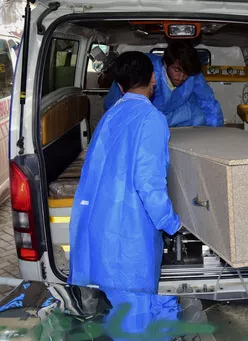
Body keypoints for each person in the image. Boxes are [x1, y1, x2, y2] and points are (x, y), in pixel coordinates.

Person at [68, 51, 181, 294]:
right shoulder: (152, 119)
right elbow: (148, 183)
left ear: (119, 86)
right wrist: (172, 223)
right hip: (130, 234)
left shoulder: (110, 116)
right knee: (134, 315)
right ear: (153, 78)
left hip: (99, 226)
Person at [104, 40, 223, 127]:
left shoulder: (192, 73)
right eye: (176, 70)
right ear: (165, 64)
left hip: (176, 115)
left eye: (186, 73)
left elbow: (208, 101)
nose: (181, 77)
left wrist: (216, 134)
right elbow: (117, 102)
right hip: (145, 117)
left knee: (200, 116)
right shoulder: (145, 68)